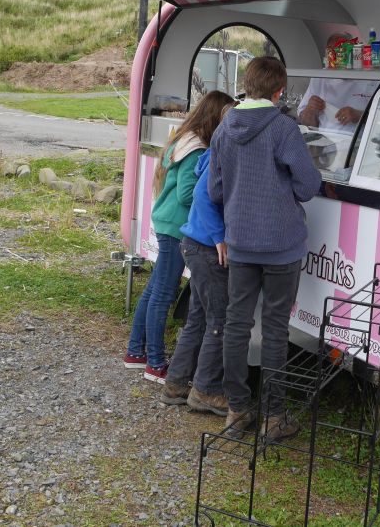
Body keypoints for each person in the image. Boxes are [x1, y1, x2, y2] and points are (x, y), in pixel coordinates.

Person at [208, 56, 321, 441]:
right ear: (279, 91)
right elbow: (308, 185)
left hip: (240, 242)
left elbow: (215, 190)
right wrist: (280, 193)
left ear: (247, 85)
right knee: (275, 329)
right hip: (281, 246)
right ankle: (273, 418)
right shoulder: (284, 129)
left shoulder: (224, 129)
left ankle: (237, 411)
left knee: (236, 325)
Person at [124, 90, 234, 383]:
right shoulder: (198, 148)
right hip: (175, 226)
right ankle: (156, 363)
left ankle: (136, 352)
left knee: (154, 290)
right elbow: (188, 194)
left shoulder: (183, 138)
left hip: (167, 221)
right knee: (163, 294)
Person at [159, 102, 237, 415]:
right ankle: (205, 391)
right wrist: (219, 237)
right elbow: (203, 199)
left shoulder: (213, 154)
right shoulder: (220, 156)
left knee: (199, 318)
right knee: (219, 320)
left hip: (196, 244)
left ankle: (176, 384)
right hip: (206, 248)